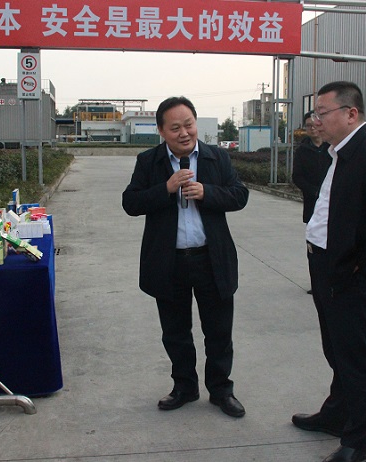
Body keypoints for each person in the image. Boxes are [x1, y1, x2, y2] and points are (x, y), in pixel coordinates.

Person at [292, 82, 366, 462]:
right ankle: (336, 415)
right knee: (336, 349)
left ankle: (357, 443)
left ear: (351, 114)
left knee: (355, 359)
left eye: (323, 113)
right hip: (326, 265)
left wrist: (362, 259)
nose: (316, 121)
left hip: (348, 272)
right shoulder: (340, 152)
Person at [122, 96, 249, 417]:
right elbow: (131, 203)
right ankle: (184, 387)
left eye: (189, 125)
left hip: (211, 259)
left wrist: (208, 192)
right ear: (161, 131)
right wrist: (165, 188)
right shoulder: (148, 162)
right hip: (169, 262)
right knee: (175, 332)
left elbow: (239, 195)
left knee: (219, 332)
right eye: (175, 127)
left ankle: (221, 390)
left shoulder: (216, 157)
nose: (184, 133)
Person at [292, 111, 332, 294]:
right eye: (309, 126)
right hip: (313, 204)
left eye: (315, 125)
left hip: (333, 203)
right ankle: (317, 283)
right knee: (314, 246)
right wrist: (314, 191)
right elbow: (297, 177)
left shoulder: (331, 147)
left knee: (333, 244)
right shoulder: (302, 150)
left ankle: (332, 280)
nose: (313, 129)